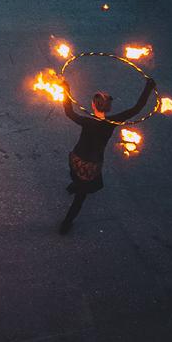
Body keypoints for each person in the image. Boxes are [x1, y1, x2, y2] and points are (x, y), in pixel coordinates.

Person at [59, 76, 156, 234]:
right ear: (109, 108)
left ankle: (74, 187)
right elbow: (136, 108)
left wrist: (65, 89)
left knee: (76, 176)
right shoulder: (112, 122)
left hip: (77, 159)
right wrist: (148, 87)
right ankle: (66, 223)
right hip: (92, 165)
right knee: (82, 195)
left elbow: (69, 112)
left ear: (92, 105)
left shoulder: (87, 122)